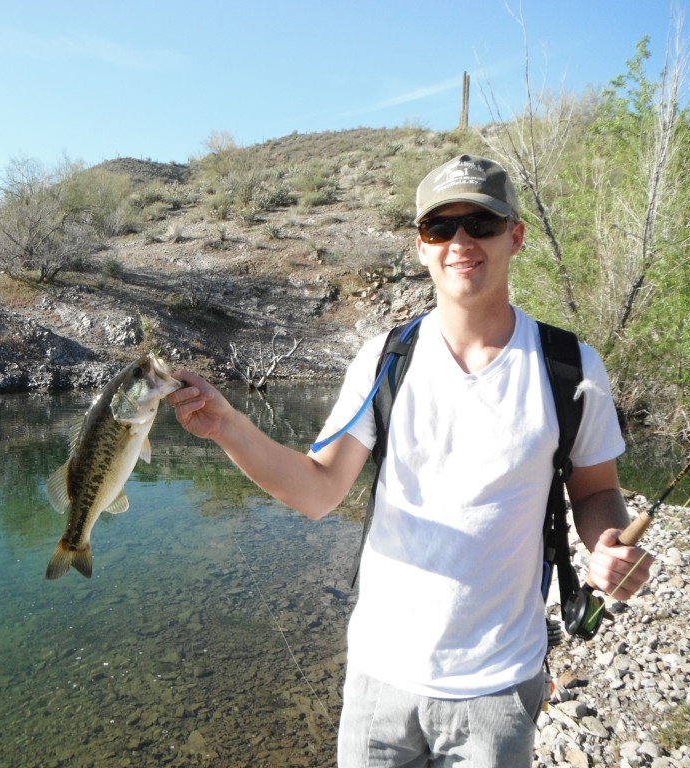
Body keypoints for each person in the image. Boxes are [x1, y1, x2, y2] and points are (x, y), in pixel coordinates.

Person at [166, 154, 653, 768]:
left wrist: (608, 542)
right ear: (421, 247)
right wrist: (228, 426)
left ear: (516, 236)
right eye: (440, 228)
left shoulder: (571, 367)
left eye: (480, 223)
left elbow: (594, 492)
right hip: (380, 678)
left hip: (499, 684)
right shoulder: (383, 360)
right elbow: (318, 491)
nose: (460, 242)